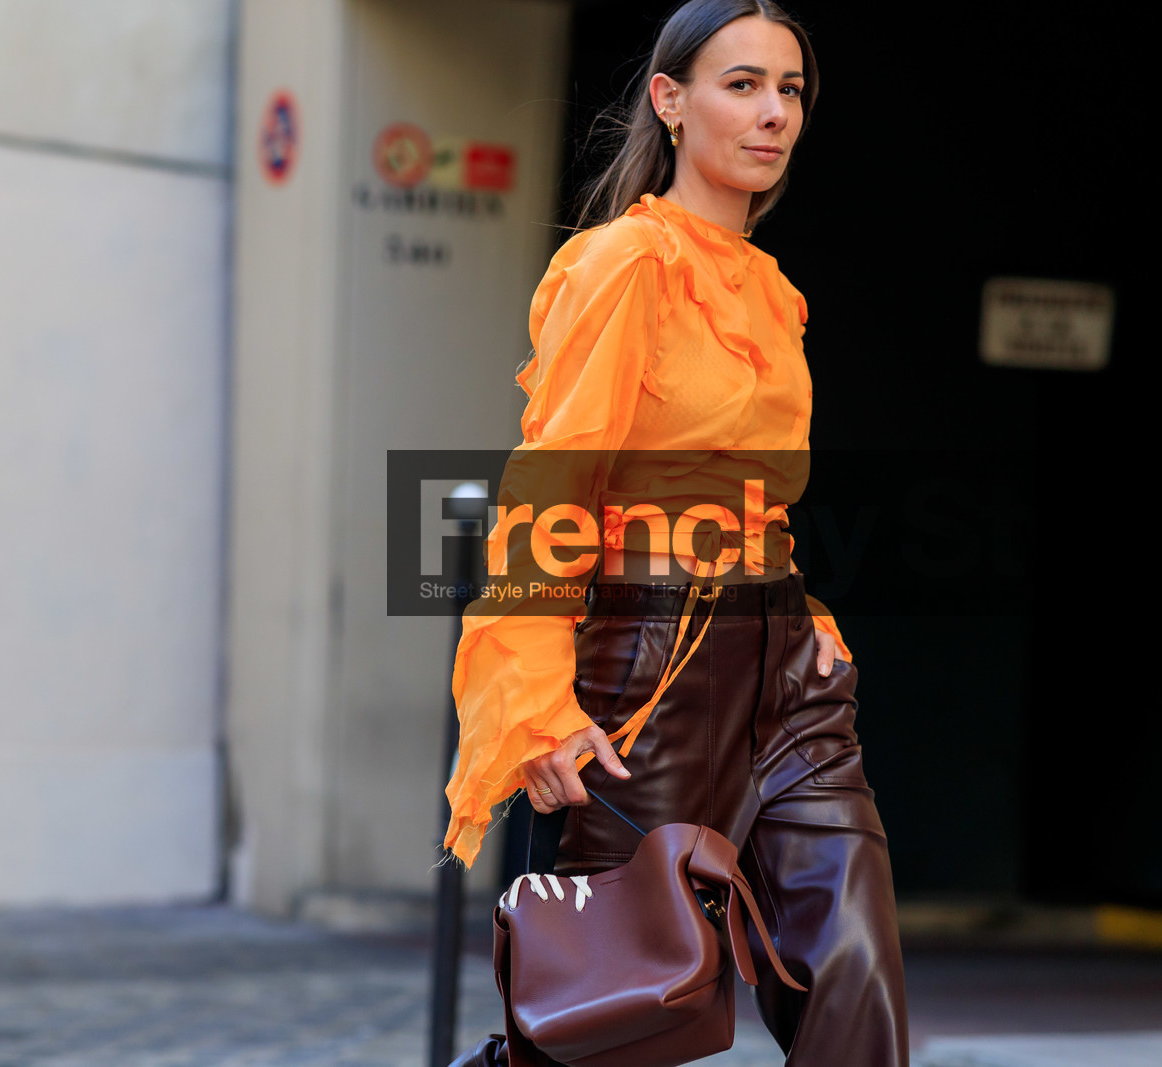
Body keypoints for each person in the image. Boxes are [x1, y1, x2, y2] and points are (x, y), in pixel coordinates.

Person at [444, 2, 908, 1064]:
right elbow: (549, 490)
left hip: (786, 666)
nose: (772, 113)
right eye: (740, 84)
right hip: (653, 657)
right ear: (670, 100)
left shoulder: (773, 291)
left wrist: (810, 621)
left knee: (855, 967)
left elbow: (755, 495)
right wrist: (535, 705)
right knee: (620, 1005)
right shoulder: (624, 265)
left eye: (788, 90)